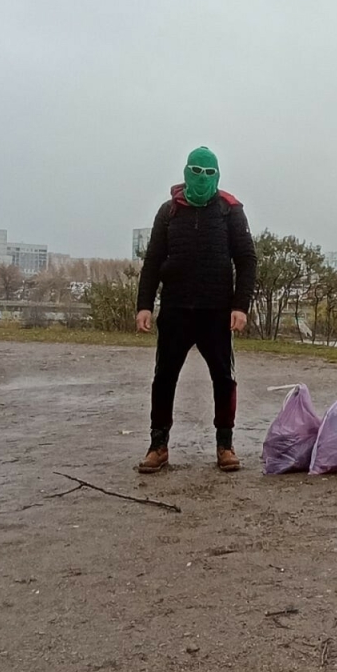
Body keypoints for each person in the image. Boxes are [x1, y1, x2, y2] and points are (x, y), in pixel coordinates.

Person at [135, 146, 257, 473]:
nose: (203, 178)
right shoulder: (168, 212)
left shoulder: (230, 212)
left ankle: (225, 445)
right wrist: (144, 305)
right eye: (197, 171)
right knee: (163, 378)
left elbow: (247, 261)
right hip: (175, 309)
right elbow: (152, 262)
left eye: (209, 173)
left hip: (216, 312)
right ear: (186, 172)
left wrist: (240, 306)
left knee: (223, 378)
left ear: (217, 176)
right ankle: (158, 446)